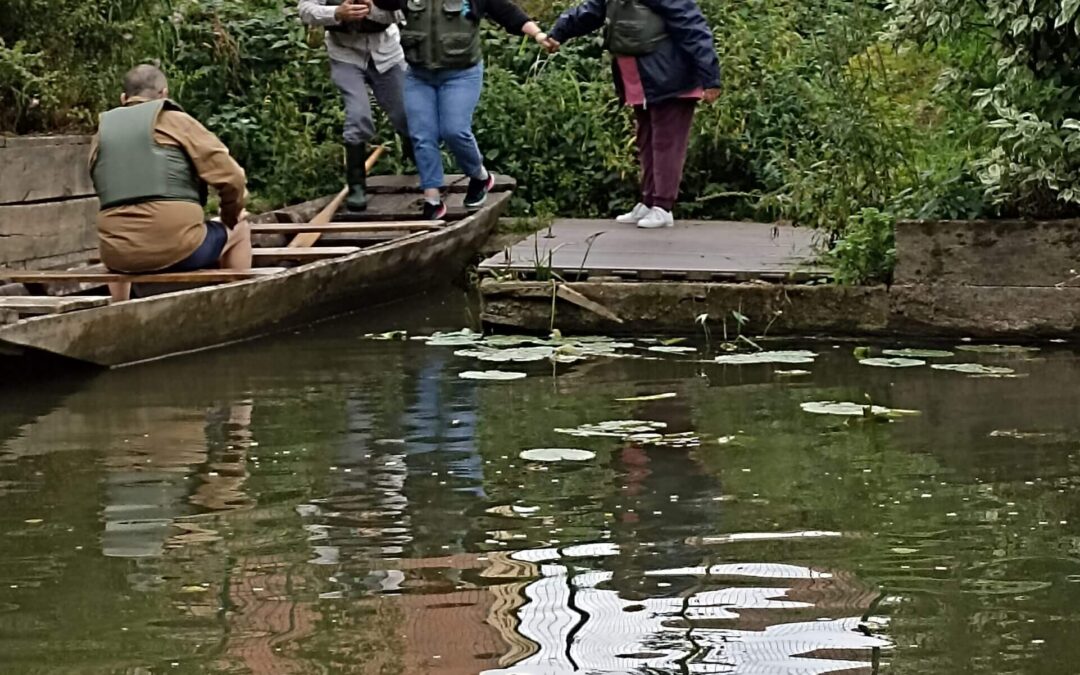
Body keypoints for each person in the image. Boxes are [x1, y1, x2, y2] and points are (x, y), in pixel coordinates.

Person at [546, 0, 721, 228]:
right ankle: (649, 201)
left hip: (670, 76)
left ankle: (663, 206)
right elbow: (590, 12)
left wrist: (711, 77)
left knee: (666, 141)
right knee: (646, 139)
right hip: (642, 79)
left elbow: (693, 27)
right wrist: (558, 32)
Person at [89, 65, 252, 302]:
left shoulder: (101, 134)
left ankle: (119, 308)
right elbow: (233, 178)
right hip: (180, 250)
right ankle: (239, 303)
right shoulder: (176, 121)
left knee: (117, 246)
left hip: (119, 257)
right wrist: (230, 215)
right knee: (240, 228)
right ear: (164, 94)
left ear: (123, 98)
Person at [381, 0, 553, 219]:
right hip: (419, 76)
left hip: (461, 74)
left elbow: (506, 12)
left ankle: (479, 176)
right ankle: (432, 200)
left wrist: (538, 34)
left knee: (454, 130)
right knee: (422, 136)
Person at [298, 0, 413, 211]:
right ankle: (356, 186)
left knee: (406, 114)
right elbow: (305, 11)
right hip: (344, 55)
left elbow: (402, 12)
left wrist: (373, 12)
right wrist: (337, 13)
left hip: (387, 53)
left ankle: (415, 159)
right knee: (358, 115)